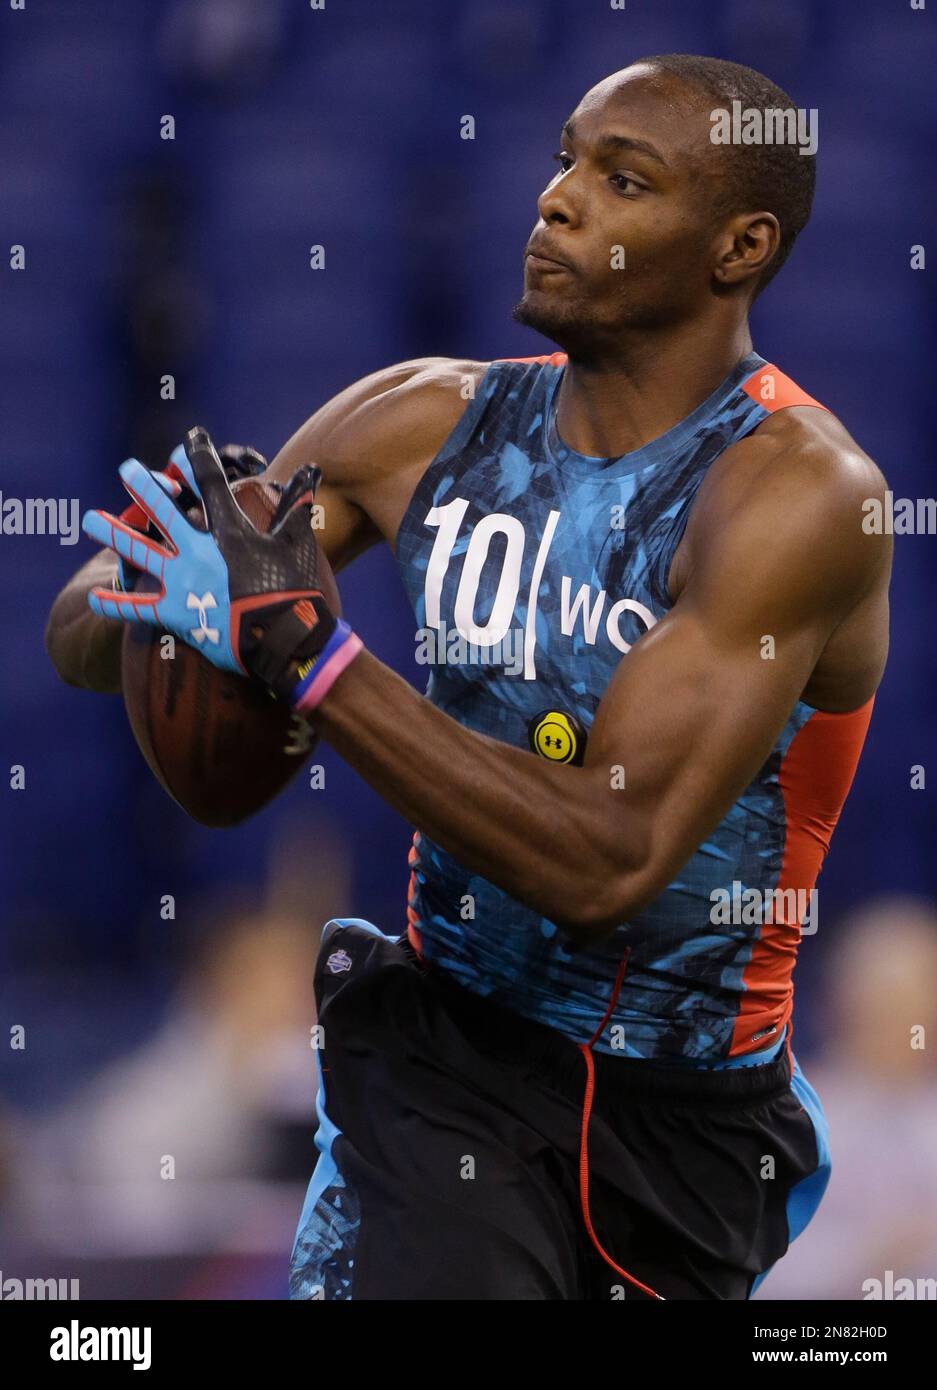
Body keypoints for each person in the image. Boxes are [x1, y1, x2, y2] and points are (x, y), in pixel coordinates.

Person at [47, 55, 892, 1300]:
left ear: (738, 246)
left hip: (691, 1125)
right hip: (450, 1058)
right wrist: (167, 567)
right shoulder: (421, 419)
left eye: (622, 179)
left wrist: (309, 659)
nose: (556, 200)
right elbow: (84, 632)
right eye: (562, 160)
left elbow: (608, 856)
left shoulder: (801, 497)